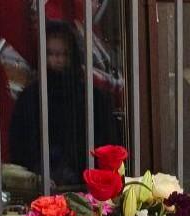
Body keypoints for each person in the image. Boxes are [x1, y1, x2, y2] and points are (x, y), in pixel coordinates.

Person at [8, 20, 121, 190]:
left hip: (86, 186)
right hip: (40, 188)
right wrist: (37, 175)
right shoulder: (30, 98)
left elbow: (106, 143)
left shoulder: (92, 98)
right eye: (52, 54)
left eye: (64, 54)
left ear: (72, 56)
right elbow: (20, 147)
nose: (58, 60)